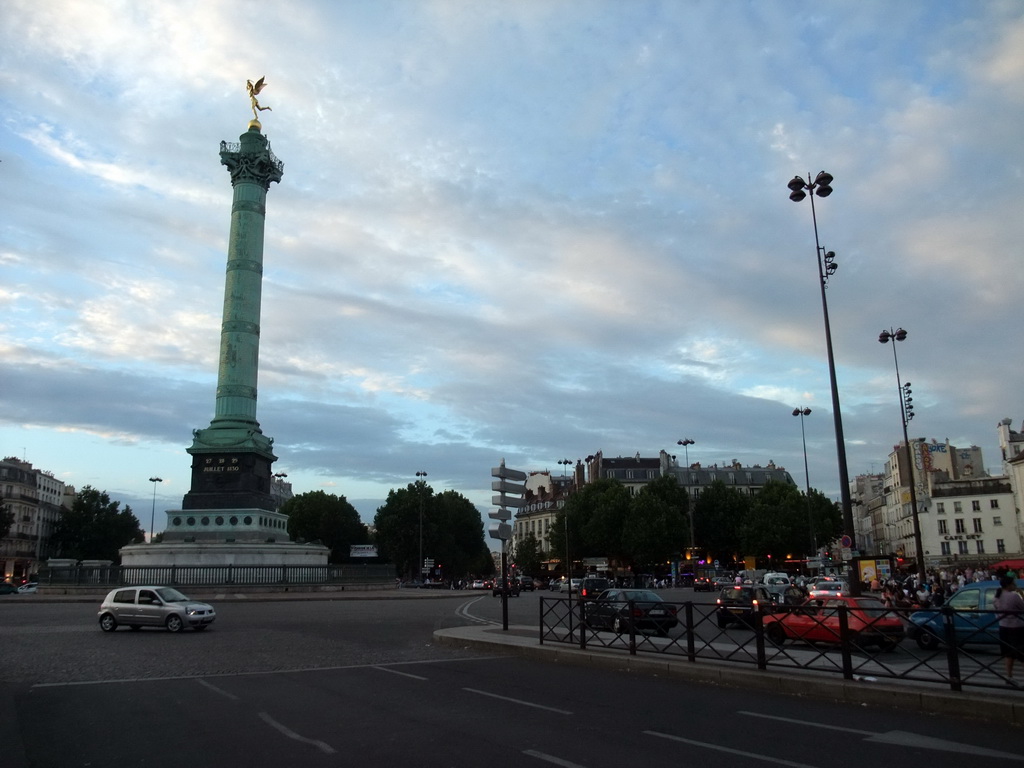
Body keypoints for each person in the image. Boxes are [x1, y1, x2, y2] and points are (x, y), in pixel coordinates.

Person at [993, 574, 1024, 686]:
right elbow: (1022, 608)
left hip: (1003, 627)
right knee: (1021, 652)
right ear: (1008, 585)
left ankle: (1009, 676)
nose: (1015, 585)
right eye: (1013, 583)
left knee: (1008, 654)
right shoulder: (1014, 596)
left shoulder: (997, 596)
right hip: (1016, 627)